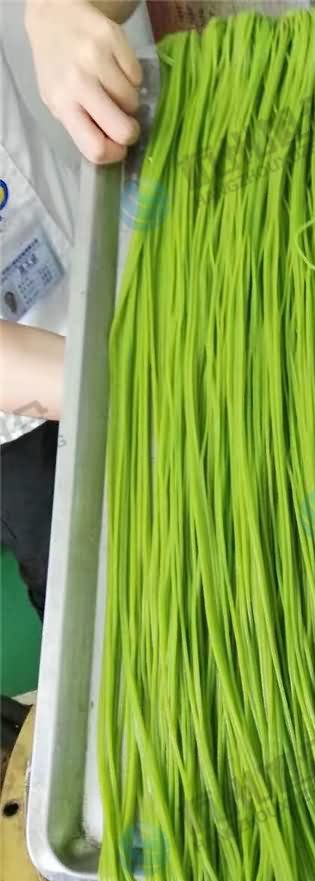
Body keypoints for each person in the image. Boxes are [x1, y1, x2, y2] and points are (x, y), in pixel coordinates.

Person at [1, 0, 142, 614]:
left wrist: (64, 10)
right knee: (98, 589)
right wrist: (137, 381)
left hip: (102, 274)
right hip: (16, 427)